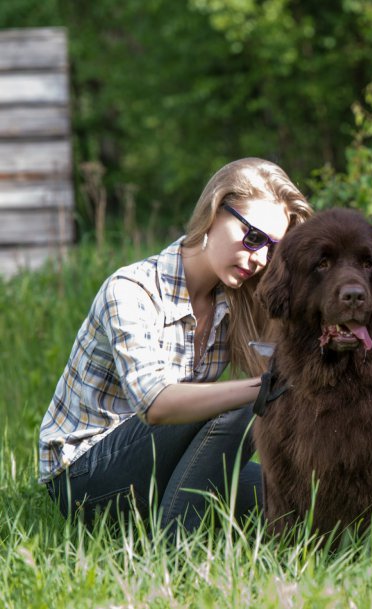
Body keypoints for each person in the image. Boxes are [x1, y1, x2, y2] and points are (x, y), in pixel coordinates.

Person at [38, 157, 313, 535]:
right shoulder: (131, 290)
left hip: (161, 464)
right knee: (249, 400)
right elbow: (156, 404)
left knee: (292, 498)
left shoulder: (232, 302)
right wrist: (260, 389)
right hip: (84, 479)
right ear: (216, 212)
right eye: (253, 237)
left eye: (273, 249)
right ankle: (176, 555)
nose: (261, 258)